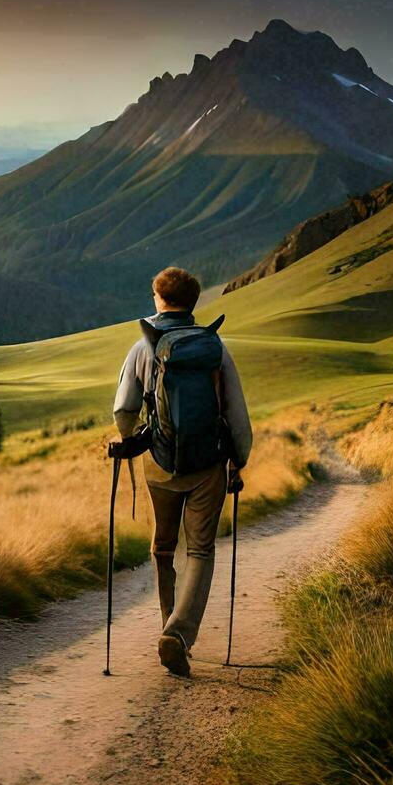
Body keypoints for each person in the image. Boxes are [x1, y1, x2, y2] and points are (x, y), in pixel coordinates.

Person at [112, 267, 252, 677]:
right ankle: (179, 634)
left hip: (160, 463)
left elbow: (123, 409)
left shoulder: (144, 347)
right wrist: (237, 459)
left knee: (163, 547)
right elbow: (237, 415)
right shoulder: (215, 346)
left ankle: (167, 623)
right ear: (193, 303)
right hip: (208, 464)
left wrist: (135, 437)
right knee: (201, 550)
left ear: (159, 298)